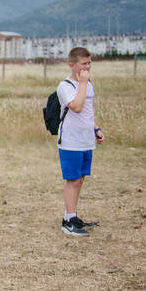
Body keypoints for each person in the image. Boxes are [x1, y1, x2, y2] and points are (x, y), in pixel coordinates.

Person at [56, 47, 103, 237]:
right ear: (72, 65)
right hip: (70, 140)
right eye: (83, 64)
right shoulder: (65, 86)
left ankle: (73, 215)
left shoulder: (87, 84)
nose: (87, 67)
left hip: (86, 140)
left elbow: (87, 111)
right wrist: (82, 83)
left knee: (80, 179)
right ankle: (68, 221)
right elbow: (76, 107)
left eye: (89, 63)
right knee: (72, 180)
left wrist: (96, 129)